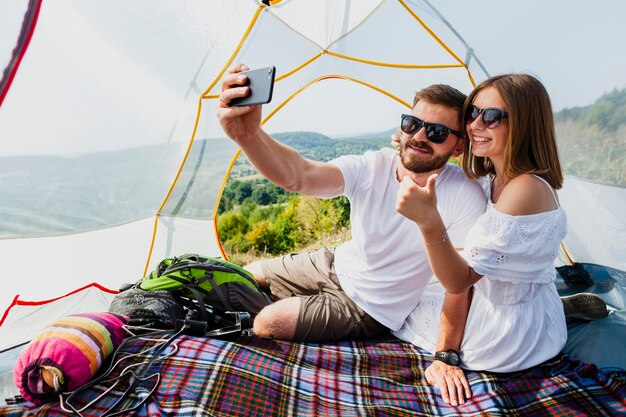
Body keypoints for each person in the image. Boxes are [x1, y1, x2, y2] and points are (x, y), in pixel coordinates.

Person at [217, 64, 486, 405]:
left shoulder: (463, 195)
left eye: (435, 132)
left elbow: (459, 284)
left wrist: (445, 355)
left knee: (266, 323)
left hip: (370, 306)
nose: (419, 136)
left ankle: (255, 307)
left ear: (458, 147)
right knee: (244, 272)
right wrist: (248, 135)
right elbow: (299, 175)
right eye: (412, 124)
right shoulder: (372, 165)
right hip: (335, 264)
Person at [393, 73, 607, 374]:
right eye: (473, 113)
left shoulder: (526, 189)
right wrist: (413, 145)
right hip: (510, 291)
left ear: (523, 123)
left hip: (504, 332)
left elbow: (457, 281)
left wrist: (429, 222)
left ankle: (549, 312)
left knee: (401, 303)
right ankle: (556, 308)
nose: (475, 125)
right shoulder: (494, 177)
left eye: (492, 116)